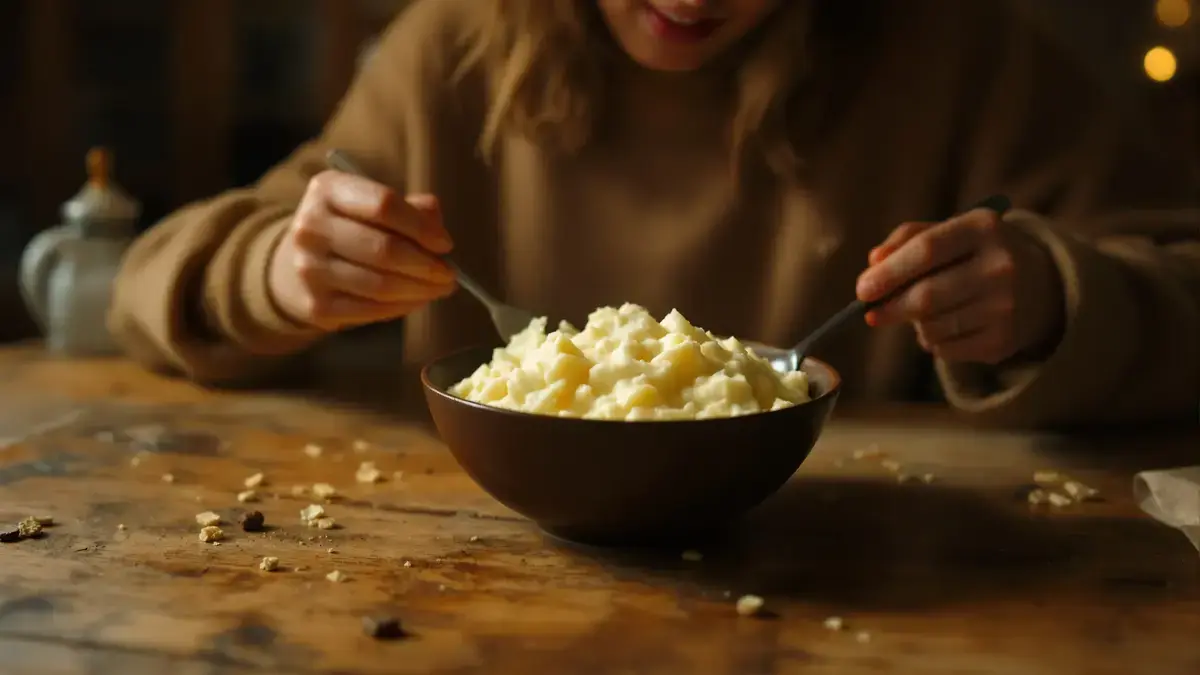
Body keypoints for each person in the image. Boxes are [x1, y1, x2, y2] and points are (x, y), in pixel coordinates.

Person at [110, 0, 1199, 428]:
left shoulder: (967, 54)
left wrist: (1059, 297)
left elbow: (1177, 278)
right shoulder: (455, 46)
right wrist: (273, 275)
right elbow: (149, 275)